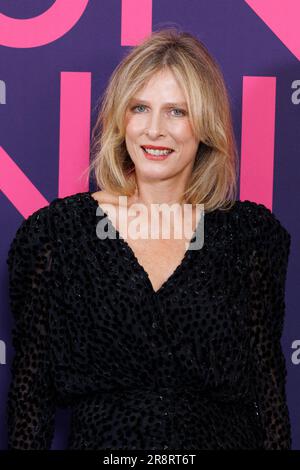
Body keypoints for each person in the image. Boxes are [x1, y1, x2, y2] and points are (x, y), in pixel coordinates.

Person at [6, 28, 292, 450]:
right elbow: (30, 397)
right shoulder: (55, 235)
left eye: (177, 111)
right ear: (121, 118)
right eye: (141, 107)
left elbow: (268, 394)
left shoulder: (249, 236)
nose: (155, 129)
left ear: (205, 125)